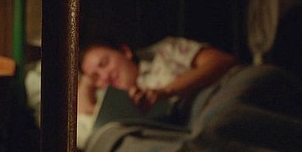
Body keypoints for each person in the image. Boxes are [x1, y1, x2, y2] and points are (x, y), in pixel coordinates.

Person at [77, 37, 239, 117]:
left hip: (223, 96)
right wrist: (86, 81)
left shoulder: (166, 52)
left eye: (104, 63)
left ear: (125, 52)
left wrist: (165, 92)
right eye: (95, 77)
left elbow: (222, 61)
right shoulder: (112, 104)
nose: (105, 76)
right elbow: (83, 114)